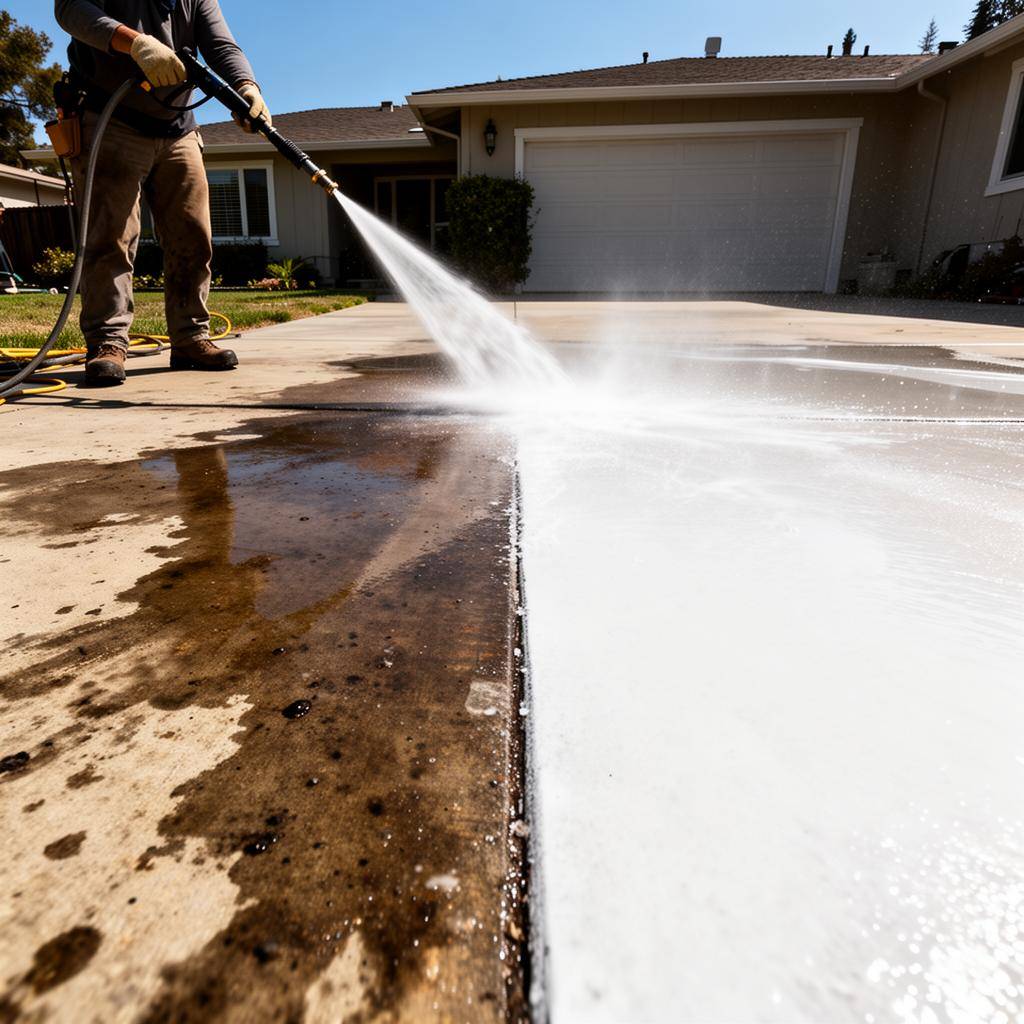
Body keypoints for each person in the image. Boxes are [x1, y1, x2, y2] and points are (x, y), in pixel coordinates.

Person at [54, 1, 272, 385]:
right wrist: (135, 43)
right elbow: (71, 10)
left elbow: (221, 45)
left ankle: (190, 338)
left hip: (178, 124)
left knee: (192, 234)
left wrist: (247, 86)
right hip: (111, 117)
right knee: (112, 237)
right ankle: (108, 342)